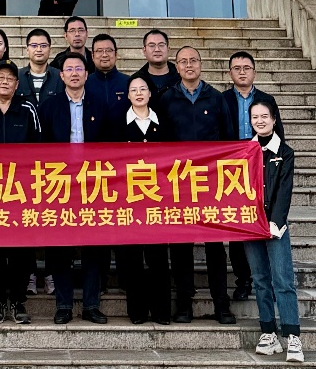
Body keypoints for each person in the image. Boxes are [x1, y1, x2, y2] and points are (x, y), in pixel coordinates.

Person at [162, 44, 235, 326]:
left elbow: (228, 139)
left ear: (201, 65)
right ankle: (183, 304)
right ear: (176, 67)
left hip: (210, 183)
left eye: (193, 60)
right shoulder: (167, 99)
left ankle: (221, 305)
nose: (189, 65)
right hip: (178, 184)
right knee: (181, 247)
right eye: (183, 61)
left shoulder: (216, 98)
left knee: (215, 247)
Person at [40, 53, 108, 325]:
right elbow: (41, 147)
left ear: (86, 74)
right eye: (69, 69)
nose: (74, 73)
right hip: (60, 184)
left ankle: (91, 305)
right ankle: (63, 304)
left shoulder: (100, 104)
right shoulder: (49, 106)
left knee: (94, 246)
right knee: (61, 247)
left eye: (79, 68)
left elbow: (110, 145)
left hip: (93, 183)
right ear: (61, 75)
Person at [0, 60, 41, 325]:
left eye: (10, 79)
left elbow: (41, 149)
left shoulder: (28, 109)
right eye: (1, 77)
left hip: (21, 192)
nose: (5, 82)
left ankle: (17, 300)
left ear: (17, 84)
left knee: (21, 250)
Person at [224, 50, 285, 304]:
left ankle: (270, 279)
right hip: (233, 171)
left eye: (246, 68)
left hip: (263, 169)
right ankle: (244, 281)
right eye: (236, 68)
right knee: (238, 226)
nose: (242, 72)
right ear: (230, 73)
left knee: (265, 221)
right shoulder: (222, 99)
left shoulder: (267, 100)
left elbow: (279, 136)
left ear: (254, 72)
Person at [245, 101, 302, 364]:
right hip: (250, 224)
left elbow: (284, 191)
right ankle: (268, 332)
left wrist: (275, 223)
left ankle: (292, 336)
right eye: (255, 117)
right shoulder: (244, 151)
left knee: (283, 280)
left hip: (275, 225)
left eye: (264, 116)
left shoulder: (285, 152)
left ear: (274, 119)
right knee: (260, 279)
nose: (260, 121)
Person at [116, 76, 170, 324]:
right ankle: (137, 312)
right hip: (128, 200)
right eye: (133, 90)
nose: (138, 93)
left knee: (158, 258)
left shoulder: (163, 122)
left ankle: (161, 312)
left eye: (143, 89)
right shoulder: (118, 124)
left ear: (150, 94)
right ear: (128, 95)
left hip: (159, 200)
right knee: (132, 258)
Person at [85, 33, 129, 125]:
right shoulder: (84, 83)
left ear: (116, 54)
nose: (104, 55)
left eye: (109, 50)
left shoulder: (129, 83)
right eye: (99, 51)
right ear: (92, 56)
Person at [17, 27, 65, 109]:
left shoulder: (60, 77)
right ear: (27, 50)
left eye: (43, 46)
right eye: (34, 46)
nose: (39, 49)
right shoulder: (18, 76)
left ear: (50, 49)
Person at [132, 27, 176, 108]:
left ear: (168, 49)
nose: (157, 49)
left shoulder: (181, 77)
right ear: (144, 50)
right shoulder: (136, 80)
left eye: (161, 45)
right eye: (152, 45)